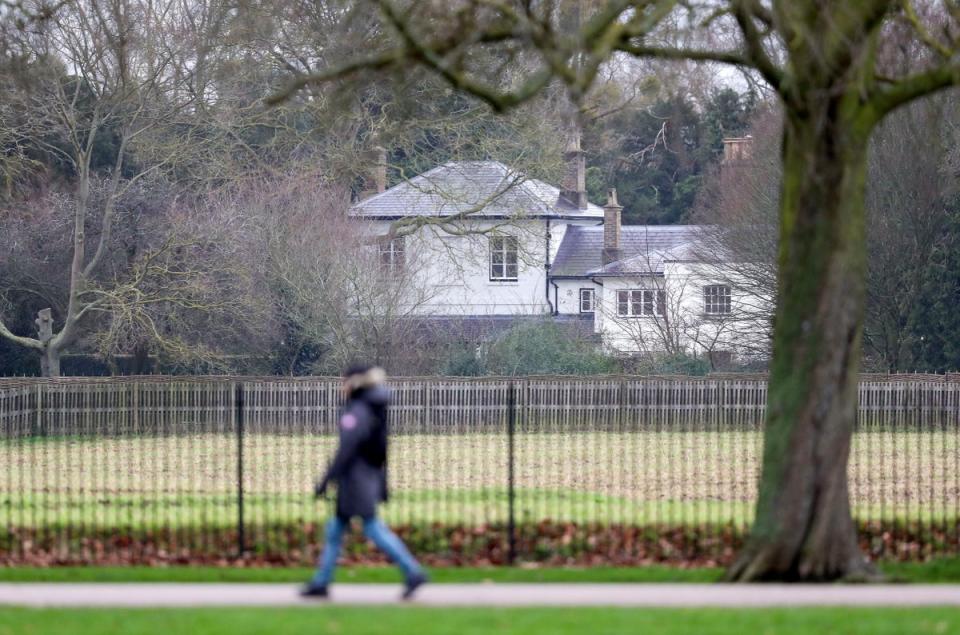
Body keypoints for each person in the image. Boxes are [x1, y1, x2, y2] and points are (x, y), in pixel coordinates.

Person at [302, 364, 427, 600]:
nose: (341, 387)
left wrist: (326, 480)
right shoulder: (372, 407)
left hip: (355, 480)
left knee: (371, 527)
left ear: (353, 383)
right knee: (335, 529)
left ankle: (412, 572)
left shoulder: (358, 410)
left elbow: (346, 448)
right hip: (365, 476)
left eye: (343, 382)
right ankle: (321, 582)